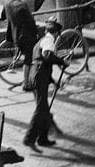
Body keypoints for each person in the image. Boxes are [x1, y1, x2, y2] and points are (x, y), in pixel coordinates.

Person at [23, 17, 67, 152]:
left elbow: (43, 63)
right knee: (41, 109)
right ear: (56, 33)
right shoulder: (49, 41)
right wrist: (61, 61)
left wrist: (53, 82)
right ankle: (29, 139)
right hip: (39, 76)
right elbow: (47, 56)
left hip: (36, 75)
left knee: (44, 109)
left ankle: (43, 139)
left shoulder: (41, 41)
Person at [2, 0, 39, 90]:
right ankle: (26, 83)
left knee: (23, 53)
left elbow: (2, 16)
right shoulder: (23, 4)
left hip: (15, 36)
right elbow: (31, 22)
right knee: (28, 59)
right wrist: (37, 33)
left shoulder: (7, 3)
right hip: (26, 35)